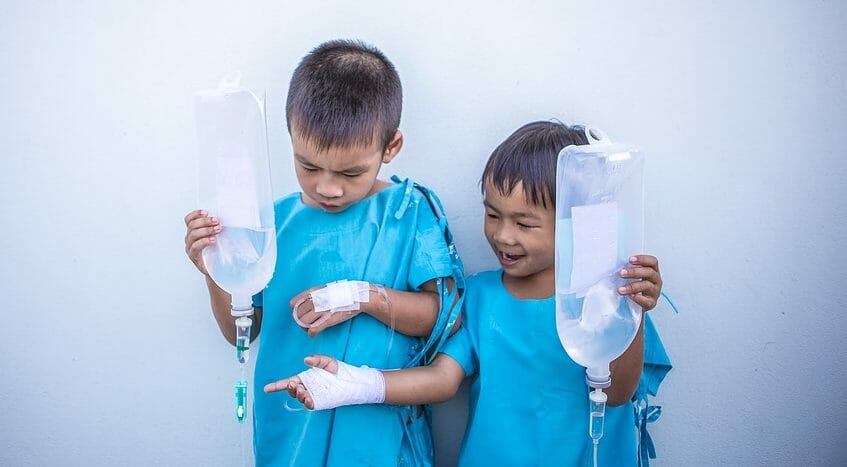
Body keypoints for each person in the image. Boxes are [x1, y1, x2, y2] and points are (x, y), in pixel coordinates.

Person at [267, 121, 672, 466]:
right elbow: (443, 379)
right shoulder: (479, 297)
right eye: (492, 214)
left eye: (525, 223)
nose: (502, 235)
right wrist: (356, 383)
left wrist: (629, 310)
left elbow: (616, 393)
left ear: (574, 223)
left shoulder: (603, 299)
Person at [183, 39, 463, 466]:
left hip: (382, 439)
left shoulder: (410, 212)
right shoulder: (269, 223)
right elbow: (242, 330)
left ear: (390, 148)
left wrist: (361, 297)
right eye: (309, 167)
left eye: (351, 172)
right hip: (293, 433)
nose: (327, 188)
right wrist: (215, 272)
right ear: (291, 136)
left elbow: (444, 316)